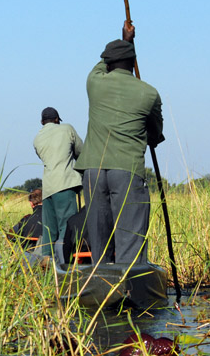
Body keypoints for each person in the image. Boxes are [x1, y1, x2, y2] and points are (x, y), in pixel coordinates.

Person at [74, 20, 165, 265]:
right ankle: (129, 284)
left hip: (92, 171)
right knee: (130, 239)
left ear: (108, 63)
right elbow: (156, 135)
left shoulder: (94, 82)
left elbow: (99, 64)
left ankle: (99, 281)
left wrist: (125, 40)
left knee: (98, 237)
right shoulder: (148, 92)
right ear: (133, 63)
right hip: (126, 169)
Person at [33, 106, 83, 263]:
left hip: (47, 188)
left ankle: (47, 262)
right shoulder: (66, 129)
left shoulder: (37, 138)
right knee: (67, 226)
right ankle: (65, 264)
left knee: (49, 230)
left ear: (42, 122)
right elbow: (81, 151)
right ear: (56, 120)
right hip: (65, 184)